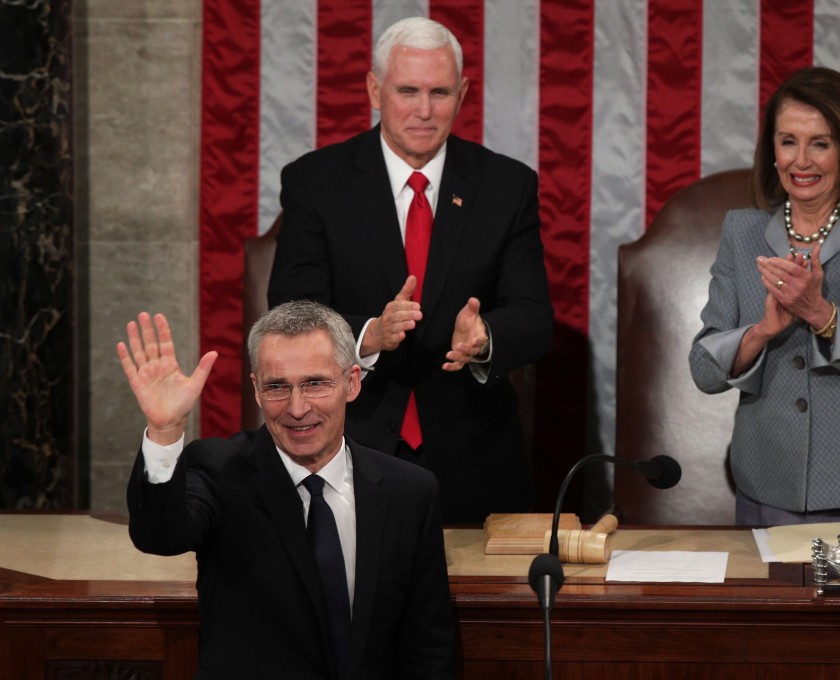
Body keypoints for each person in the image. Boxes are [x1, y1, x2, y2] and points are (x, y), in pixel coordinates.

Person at [267, 17, 553, 524]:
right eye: (408, 90)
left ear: (462, 94)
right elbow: (291, 313)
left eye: (439, 92)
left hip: (475, 460)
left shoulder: (506, 186)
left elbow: (533, 318)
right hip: (348, 445)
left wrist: (486, 336)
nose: (424, 110)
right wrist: (368, 335)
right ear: (375, 90)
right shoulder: (316, 182)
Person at [119, 301, 454, 679]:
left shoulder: (409, 491)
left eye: (315, 383)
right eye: (277, 386)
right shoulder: (221, 469)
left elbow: (429, 646)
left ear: (352, 382)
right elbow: (159, 534)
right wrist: (165, 432)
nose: (297, 408)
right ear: (257, 391)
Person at [688, 67, 840, 528]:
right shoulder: (742, 231)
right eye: (788, 141)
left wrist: (821, 314)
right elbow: (704, 369)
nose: (802, 161)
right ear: (771, 151)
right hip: (768, 479)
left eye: (820, 143)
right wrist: (760, 333)